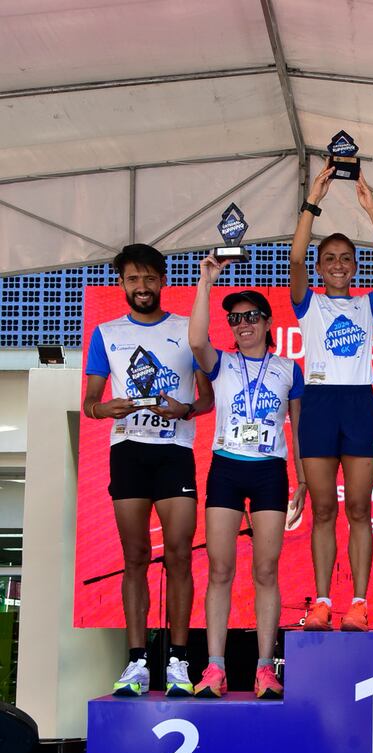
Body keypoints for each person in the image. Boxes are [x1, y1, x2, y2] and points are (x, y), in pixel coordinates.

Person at [83, 243, 213, 697]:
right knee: (135, 558)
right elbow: (89, 404)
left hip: (174, 451)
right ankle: (137, 663)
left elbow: (207, 399)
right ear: (122, 283)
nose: (141, 287)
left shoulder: (186, 330)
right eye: (132, 279)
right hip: (128, 451)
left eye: (149, 278)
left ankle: (178, 660)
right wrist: (106, 408)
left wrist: (187, 410)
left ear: (163, 280)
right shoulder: (105, 333)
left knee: (178, 556)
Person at [289, 169, 373, 631]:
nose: (337, 264)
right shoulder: (307, 302)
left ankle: (358, 603)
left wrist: (372, 210)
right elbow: (294, 259)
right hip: (317, 405)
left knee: (358, 509)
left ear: (355, 266)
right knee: (323, 510)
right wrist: (312, 201)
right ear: (320, 267)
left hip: (357, 404)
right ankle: (320, 602)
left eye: (346, 259)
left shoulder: (366, 306)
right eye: (329, 258)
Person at [188, 259, 305, 699]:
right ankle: (214, 667)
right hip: (227, 468)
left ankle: (263, 670)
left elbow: (298, 428)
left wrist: (304, 482)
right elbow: (196, 339)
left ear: (268, 321)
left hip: (270, 472)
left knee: (265, 571)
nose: (243, 325)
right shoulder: (221, 364)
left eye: (251, 317)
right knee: (219, 570)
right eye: (235, 319)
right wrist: (204, 282)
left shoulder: (289, 369)